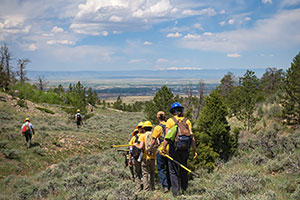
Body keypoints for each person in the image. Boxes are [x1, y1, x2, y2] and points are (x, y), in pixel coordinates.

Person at [162, 102, 197, 196]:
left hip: (174, 149)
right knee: (183, 169)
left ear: (173, 111)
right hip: (185, 149)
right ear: (181, 110)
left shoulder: (170, 121)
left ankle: (176, 193)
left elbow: (167, 137)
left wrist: (163, 148)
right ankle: (184, 189)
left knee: (173, 171)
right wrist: (194, 150)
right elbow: (192, 136)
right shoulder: (187, 121)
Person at [148, 111, 170, 193]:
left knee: (161, 169)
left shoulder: (158, 128)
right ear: (165, 117)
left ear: (158, 118)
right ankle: (171, 185)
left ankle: (165, 186)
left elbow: (153, 140)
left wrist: (150, 149)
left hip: (161, 150)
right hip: (170, 149)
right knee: (169, 168)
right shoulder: (169, 126)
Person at [134, 121, 156, 191]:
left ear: (144, 128)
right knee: (152, 173)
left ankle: (146, 189)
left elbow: (140, 147)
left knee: (145, 174)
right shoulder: (153, 135)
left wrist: (135, 145)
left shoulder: (142, 136)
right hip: (153, 157)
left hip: (145, 157)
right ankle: (152, 188)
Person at [128, 122, 144, 191]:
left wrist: (129, 159)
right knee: (145, 173)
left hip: (135, 157)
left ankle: (138, 188)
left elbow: (130, 149)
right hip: (145, 157)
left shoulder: (134, 138)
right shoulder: (146, 136)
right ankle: (146, 187)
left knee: (137, 173)